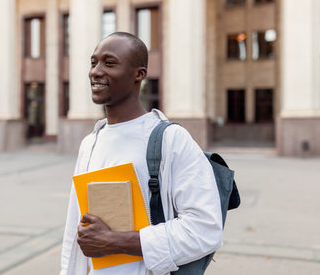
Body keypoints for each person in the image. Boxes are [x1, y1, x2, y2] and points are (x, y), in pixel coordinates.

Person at [60, 32, 223, 275]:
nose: (96, 71)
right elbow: (74, 234)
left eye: (110, 63)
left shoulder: (170, 139)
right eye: (93, 63)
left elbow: (205, 229)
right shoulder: (90, 142)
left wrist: (115, 241)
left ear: (139, 74)